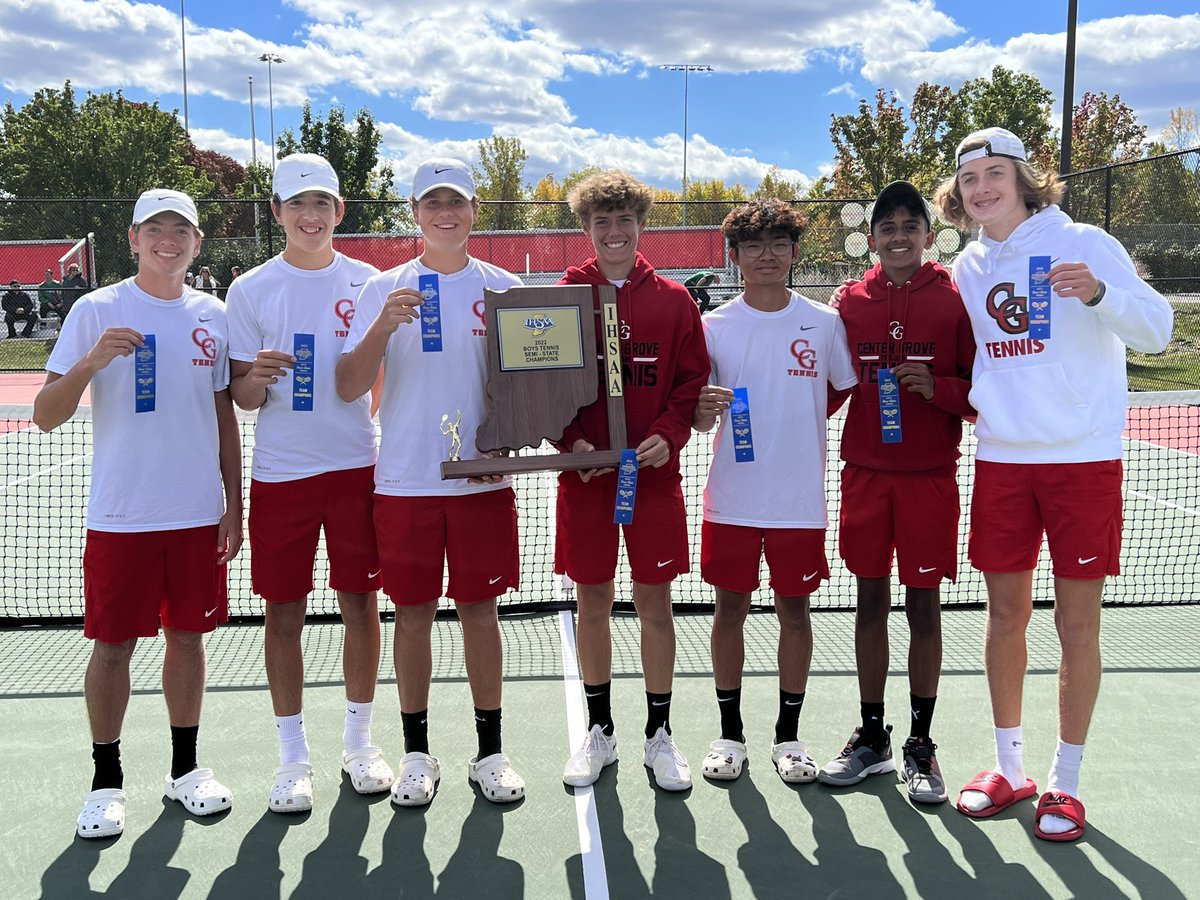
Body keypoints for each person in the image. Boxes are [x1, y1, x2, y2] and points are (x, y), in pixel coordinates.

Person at [935, 127, 1172, 840]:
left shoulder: (1085, 242)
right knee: (1005, 616)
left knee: (1077, 625)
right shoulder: (967, 267)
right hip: (1002, 460)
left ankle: (1065, 783)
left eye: (995, 173)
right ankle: (1009, 768)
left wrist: (1099, 293)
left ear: (1023, 177)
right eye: (969, 178)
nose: (982, 188)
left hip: (1083, 460)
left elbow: (1157, 330)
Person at [33, 188, 242, 839]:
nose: (168, 241)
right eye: (155, 229)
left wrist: (234, 503)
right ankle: (105, 782)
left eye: (181, 230)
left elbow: (224, 415)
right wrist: (92, 361)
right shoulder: (96, 310)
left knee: (189, 639)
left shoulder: (214, 314)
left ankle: (185, 771)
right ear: (133, 239)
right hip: (122, 516)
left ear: (197, 243)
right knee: (113, 648)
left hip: (197, 515)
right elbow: (44, 415)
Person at [337, 158, 526, 806]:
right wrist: (383, 326)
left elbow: (529, 385)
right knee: (411, 616)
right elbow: (348, 386)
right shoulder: (380, 289)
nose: (446, 213)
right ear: (414, 212)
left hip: (481, 483)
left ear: (474, 210)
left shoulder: (504, 287)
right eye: (433, 202)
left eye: (457, 201)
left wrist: (515, 441)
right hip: (405, 483)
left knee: (481, 614)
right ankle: (416, 755)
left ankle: (490, 753)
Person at [226, 153, 393, 813]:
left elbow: (378, 380)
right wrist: (254, 380)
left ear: (339, 211)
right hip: (281, 475)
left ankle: (360, 744)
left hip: (356, 469)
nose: (310, 215)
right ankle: (293, 759)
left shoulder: (368, 281)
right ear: (277, 212)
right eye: (297, 203)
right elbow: (242, 398)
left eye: (321, 202)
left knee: (361, 605)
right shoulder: (249, 290)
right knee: (283, 614)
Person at [816, 181, 975, 804]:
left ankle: (920, 743)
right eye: (888, 227)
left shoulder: (957, 301)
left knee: (924, 609)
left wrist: (939, 389)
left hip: (929, 479)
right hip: (865, 475)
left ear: (930, 236)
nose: (900, 237)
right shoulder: (848, 304)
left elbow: (982, 391)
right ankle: (873, 737)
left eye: (911, 226)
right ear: (872, 238)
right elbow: (827, 388)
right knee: (869, 603)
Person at [556, 171, 710, 792]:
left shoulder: (674, 301)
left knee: (654, 603)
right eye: (602, 221)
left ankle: (659, 734)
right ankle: (599, 732)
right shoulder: (565, 296)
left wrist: (669, 434)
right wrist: (572, 443)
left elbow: (691, 382)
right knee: (591, 601)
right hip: (587, 481)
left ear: (642, 223)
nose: (614, 231)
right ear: (586, 227)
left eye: (625, 219)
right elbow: (543, 382)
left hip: (653, 480)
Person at [694, 200, 856, 785]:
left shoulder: (824, 322)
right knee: (728, 612)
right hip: (732, 499)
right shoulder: (713, 326)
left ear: (794, 252)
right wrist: (701, 409)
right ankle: (729, 735)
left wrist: (796, 422)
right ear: (735, 257)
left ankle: (788, 737)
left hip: (797, 503)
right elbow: (700, 418)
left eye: (779, 244)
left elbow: (839, 388)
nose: (767, 255)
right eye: (754, 245)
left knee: (795, 613)